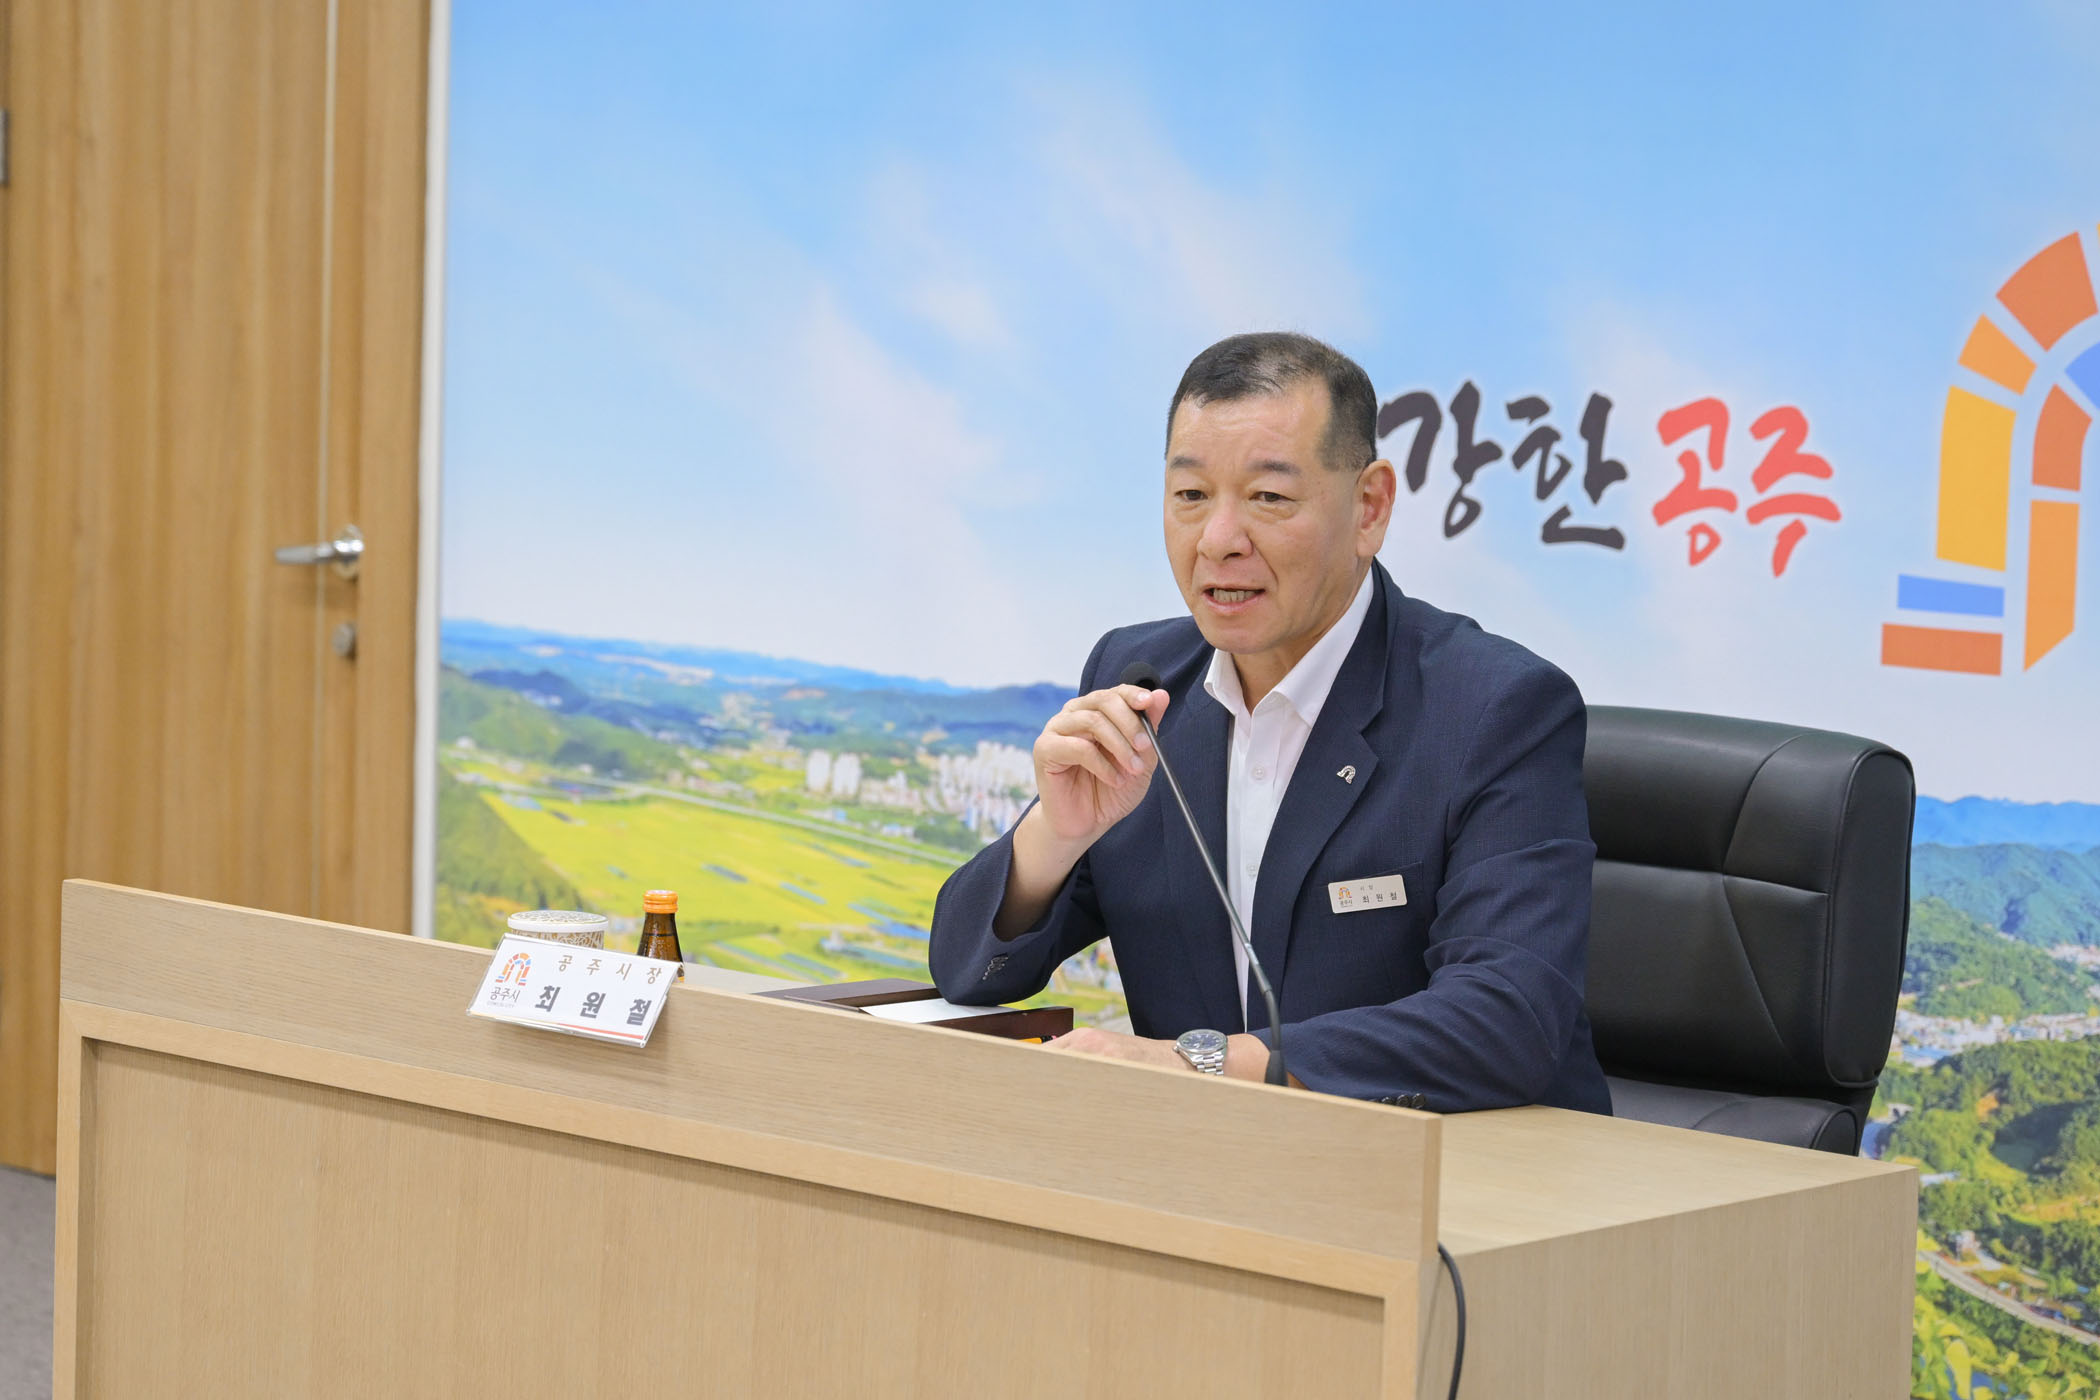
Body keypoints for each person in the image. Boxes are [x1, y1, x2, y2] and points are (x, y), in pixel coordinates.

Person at [929, 332, 1611, 1114]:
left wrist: (1202, 1063)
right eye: (1191, 496)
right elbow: (967, 972)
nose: (1219, 540)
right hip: (1208, 1164)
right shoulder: (1141, 683)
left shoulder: (1495, 708)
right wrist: (1055, 835)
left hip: (1462, 1165)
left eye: (1269, 499)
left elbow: (1505, 1020)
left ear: (1369, 507)